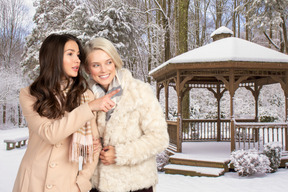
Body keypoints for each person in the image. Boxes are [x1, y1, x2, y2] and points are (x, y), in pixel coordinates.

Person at [13, 34, 119, 192]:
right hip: (32, 182)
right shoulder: (30, 94)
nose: (77, 60)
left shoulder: (85, 96)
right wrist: (88, 108)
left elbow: (94, 147)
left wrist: (81, 183)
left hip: (67, 185)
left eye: (78, 55)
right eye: (70, 54)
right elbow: (50, 134)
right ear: (53, 57)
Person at [84, 37, 169, 192]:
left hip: (136, 185)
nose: (104, 70)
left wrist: (119, 154)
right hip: (96, 185)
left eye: (108, 62)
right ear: (87, 69)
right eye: (96, 65)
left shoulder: (139, 91)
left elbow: (160, 138)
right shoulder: (84, 97)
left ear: (115, 61)